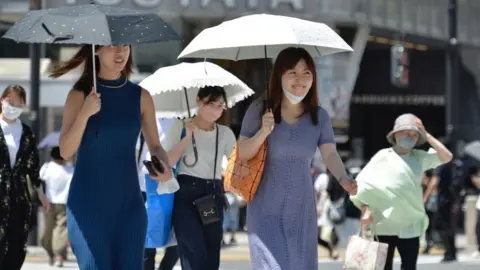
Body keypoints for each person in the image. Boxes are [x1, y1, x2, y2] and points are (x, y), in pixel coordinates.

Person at [50, 45, 172, 269]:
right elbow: (66, 151)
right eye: (112, 46)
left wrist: (164, 167)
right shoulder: (79, 95)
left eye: (125, 46)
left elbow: (155, 145)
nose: (120, 53)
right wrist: (85, 114)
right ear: (96, 50)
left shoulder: (141, 96)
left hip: (129, 206)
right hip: (88, 206)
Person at [237, 47, 357, 269]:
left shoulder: (319, 116)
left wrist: (343, 178)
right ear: (279, 75)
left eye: (306, 73)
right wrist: (263, 132)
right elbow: (242, 152)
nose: (300, 79)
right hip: (265, 208)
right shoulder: (260, 109)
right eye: (292, 72)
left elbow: (329, 153)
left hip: (301, 210)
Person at [350, 113, 452, 270]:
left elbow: (446, 156)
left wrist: (426, 135)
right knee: (384, 267)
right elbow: (362, 185)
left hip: (410, 225)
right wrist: (365, 208)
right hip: (384, 224)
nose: (409, 137)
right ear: (396, 134)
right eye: (405, 133)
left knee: (409, 267)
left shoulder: (419, 157)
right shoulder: (382, 156)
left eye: (413, 134)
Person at [163, 86, 236, 270]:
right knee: (192, 252)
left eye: (220, 105)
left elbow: (235, 163)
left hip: (212, 194)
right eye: (211, 104)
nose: (216, 110)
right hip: (186, 193)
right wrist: (187, 138)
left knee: (211, 255)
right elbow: (168, 161)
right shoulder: (180, 126)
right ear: (198, 101)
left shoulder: (224, 133)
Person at [0, 84, 50, 269]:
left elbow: (33, 166)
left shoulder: (26, 132)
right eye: (9, 101)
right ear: (1, 101)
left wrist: (42, 195)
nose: (12, 106)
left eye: (18, 103)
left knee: (16, 242)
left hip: (18, 195)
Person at [137, 125, 179, 270]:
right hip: (142, 185)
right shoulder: (143, 118)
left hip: (174, 184)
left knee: (178, 235)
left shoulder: (181, 118)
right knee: (146, 238)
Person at [40, 146, 73, 267]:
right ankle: (58, 255)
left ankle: (51, 254)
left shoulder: (47, 167)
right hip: (64, 203)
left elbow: (39, 182)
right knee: (61, 229)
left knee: (49, 229)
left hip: (47, 203)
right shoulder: (70, 169)